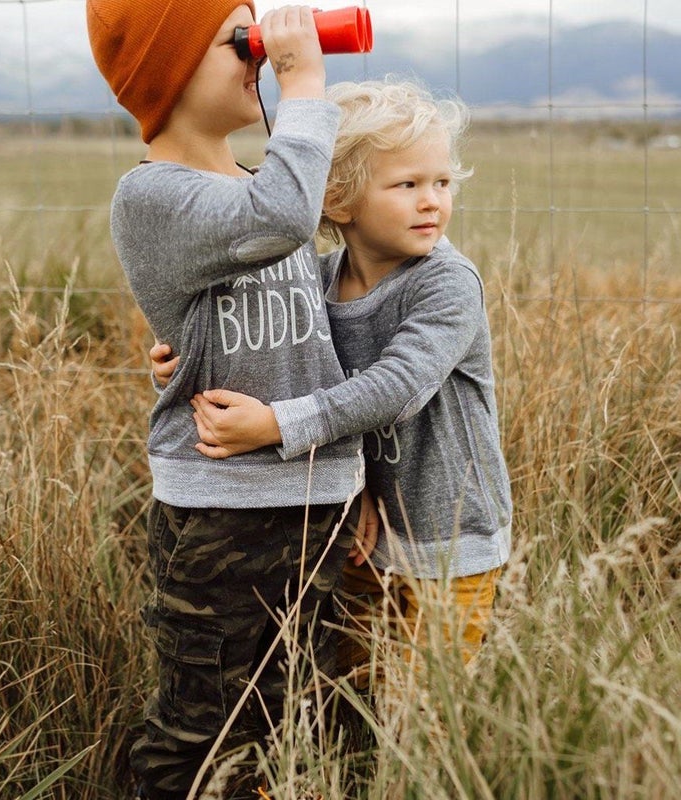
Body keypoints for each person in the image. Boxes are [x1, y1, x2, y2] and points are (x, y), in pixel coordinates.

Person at [86, 4, 375, 798]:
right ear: (167, 72)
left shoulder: (250, 187)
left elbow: (303, 315)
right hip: (221, 513)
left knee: (297, 718)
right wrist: (304, 79)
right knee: (200, 723)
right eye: (236, 42)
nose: (260, 54)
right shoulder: (153, 195)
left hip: (315, 497)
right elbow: (281, 217)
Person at [166, 78, 513, 688]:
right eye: (407, 185)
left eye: (441, 183)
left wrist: (276, 426)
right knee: (352, 686)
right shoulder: (318, 281)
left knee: (425, 704)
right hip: (363, 524)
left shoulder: (446, 283)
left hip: (451, 536)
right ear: (338, 200)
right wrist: (183, 360)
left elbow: (398, 387)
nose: (432, 201)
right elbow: (276, 353)